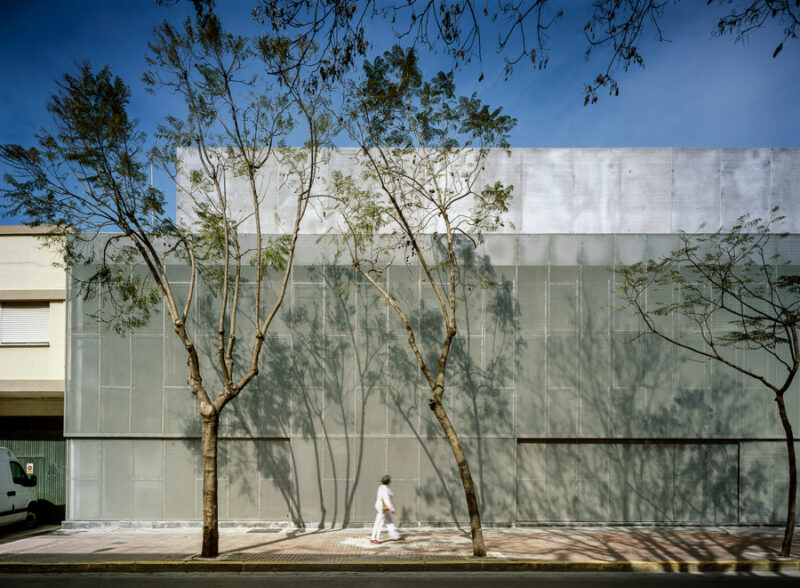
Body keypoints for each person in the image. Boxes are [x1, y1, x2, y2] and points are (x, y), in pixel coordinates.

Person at [370, 474, 404, 544]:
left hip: (383, 507)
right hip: (382, 508)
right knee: (379, 523)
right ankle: (374, 538)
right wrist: (392, 508)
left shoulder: (382, 487)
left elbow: (389, 494)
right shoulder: (385, 489)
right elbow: (386, 500)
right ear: (388, 481)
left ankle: (395, 536)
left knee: (390, 522)